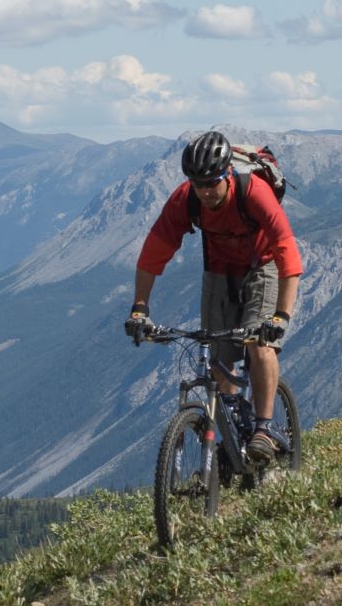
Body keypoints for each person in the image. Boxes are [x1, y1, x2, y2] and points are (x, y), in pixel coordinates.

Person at [125, 131, 302, 462]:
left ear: (228, 174)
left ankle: (263, 429)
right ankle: (234, 429)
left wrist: (281, 317)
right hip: (219, 271)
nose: (205, 191)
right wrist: (139, 308)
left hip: (262, 267)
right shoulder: (186, 199)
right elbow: (153, 253)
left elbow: (287, 254)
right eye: (197, 183)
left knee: (259, 345)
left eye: (212, 182)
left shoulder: (254, 193)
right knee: (215, 350)